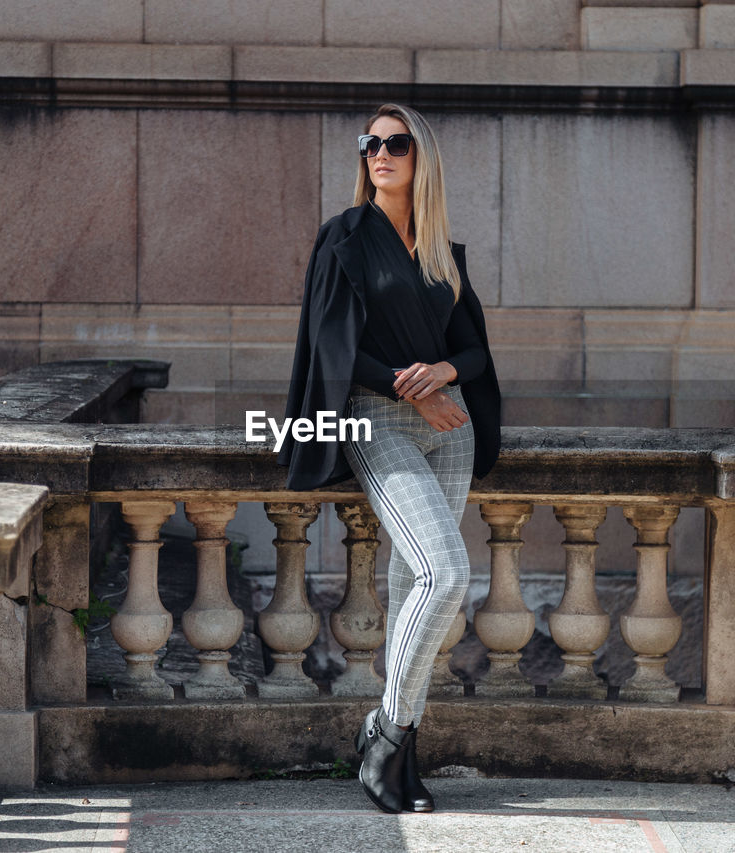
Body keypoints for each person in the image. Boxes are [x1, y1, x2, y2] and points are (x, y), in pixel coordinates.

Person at [277, 103, 502, 814]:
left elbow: (475, 350)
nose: (380, 154)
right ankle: (386, 730)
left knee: (416, 591)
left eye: (396, 144)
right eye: (370, 143)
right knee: (447, 571)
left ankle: (399, 759)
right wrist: (409, 383)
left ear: (419, 157)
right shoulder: (343, 237)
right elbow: (331, 343)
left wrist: (443, 372)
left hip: (452, 426)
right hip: (377, 422)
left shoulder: (440, 250)